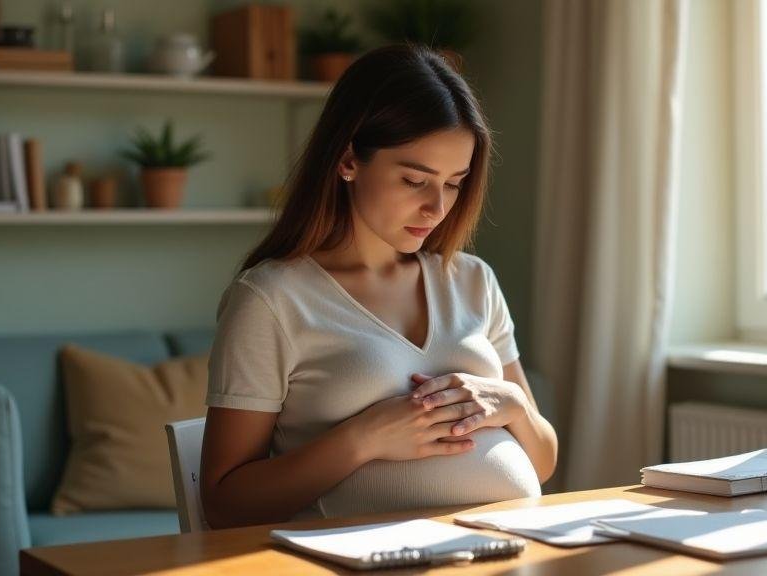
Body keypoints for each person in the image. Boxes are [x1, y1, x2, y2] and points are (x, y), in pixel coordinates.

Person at [199, 44, 558, 529]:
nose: (437, 208)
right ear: (349, 159)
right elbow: (223, 505)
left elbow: (543, 462)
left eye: (454, 183)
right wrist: (363, 439)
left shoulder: (474, 281)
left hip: (513, 547)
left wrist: (512, 405)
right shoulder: (271, 300)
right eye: (414, 180)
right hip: (363, 558)